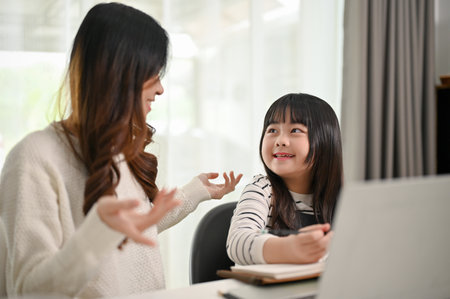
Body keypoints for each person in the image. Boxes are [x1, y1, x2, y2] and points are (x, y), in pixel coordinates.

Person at [0, 3, 242, 298]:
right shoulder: (34, 158)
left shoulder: (115, 153)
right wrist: (96, 236)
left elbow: (133, 232)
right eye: (152, 73)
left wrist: (194, 192)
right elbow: (27, 290)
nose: (161, 89)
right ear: (117, 73)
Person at [226, 93, 343, 265]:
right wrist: (289, 248)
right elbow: (237, 243)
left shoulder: (345, 194)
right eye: (272, 130)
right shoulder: (262, 189)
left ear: (326, 140)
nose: (280, 141)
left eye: (295, 130)